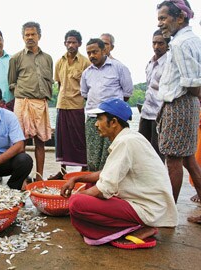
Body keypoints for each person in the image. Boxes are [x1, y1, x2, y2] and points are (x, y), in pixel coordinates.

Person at [61, 98, 178, 248]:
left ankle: (137, 226)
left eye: (100, 119)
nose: (96, 124)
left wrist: (74, 199)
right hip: (148, 204)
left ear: (114, 122)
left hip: (147, 209)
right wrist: (76, 178)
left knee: (77, 203)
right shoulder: (129, 138)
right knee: (89, 185)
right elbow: (106, 173)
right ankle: (131, 224)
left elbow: (104, 189)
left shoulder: (126, 142)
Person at [156, 0, 201, 224]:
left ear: (180, 18)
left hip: (180, 104)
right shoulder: (191, 40)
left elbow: (192, 82)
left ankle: (168, 214)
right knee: (189, 160)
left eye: (164, 18)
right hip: (186, 104)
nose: (160, 23)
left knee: (173, 159)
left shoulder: (181, 43)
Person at [8, 21, 53, 181]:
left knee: (40, 142)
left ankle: (39, 177)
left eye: (33, 34)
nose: (30, 37)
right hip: (22, 102)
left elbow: (49, 82)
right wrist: (23, 94)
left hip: (41, 103)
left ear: (39, 36)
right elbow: (11, 83)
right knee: (21, 143)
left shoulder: (48, 58)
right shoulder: (15, 58)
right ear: (22, 37)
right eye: (27, 35)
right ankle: (22, 178)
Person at [81, 38, 133, 172]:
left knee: (111, 154)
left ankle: (109, 186)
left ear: (104, 50)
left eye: (95, 52)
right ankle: (93, 186)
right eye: (89, 53)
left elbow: (127, 93)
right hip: (93, 118)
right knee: (92, 156)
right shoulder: (86, 73)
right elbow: (85, 94)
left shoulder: (119, 67)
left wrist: (111, 111)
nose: (92, 56)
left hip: (112, 120)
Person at [48, 30, 90, 180]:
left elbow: (88, 85)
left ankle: (83, 170)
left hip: (77, 105)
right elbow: (59, 83)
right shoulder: (60, 61)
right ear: (64, 43)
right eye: (68, 42)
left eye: (74, 42)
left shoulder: (85, 62)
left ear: (79, 43)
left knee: (79, 139)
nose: (71, 45)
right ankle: (63, 171)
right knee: (62, 141)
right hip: (62, 105)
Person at [138, 29, 169, 162]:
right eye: (154, 43)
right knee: (141, 150)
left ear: (168, 44)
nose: (156, 47)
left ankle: (159, 182)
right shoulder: (150, 64)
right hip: (146, 113)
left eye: (160, 43)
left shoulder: (169, 63)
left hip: (160, 115)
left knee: (157, 155)